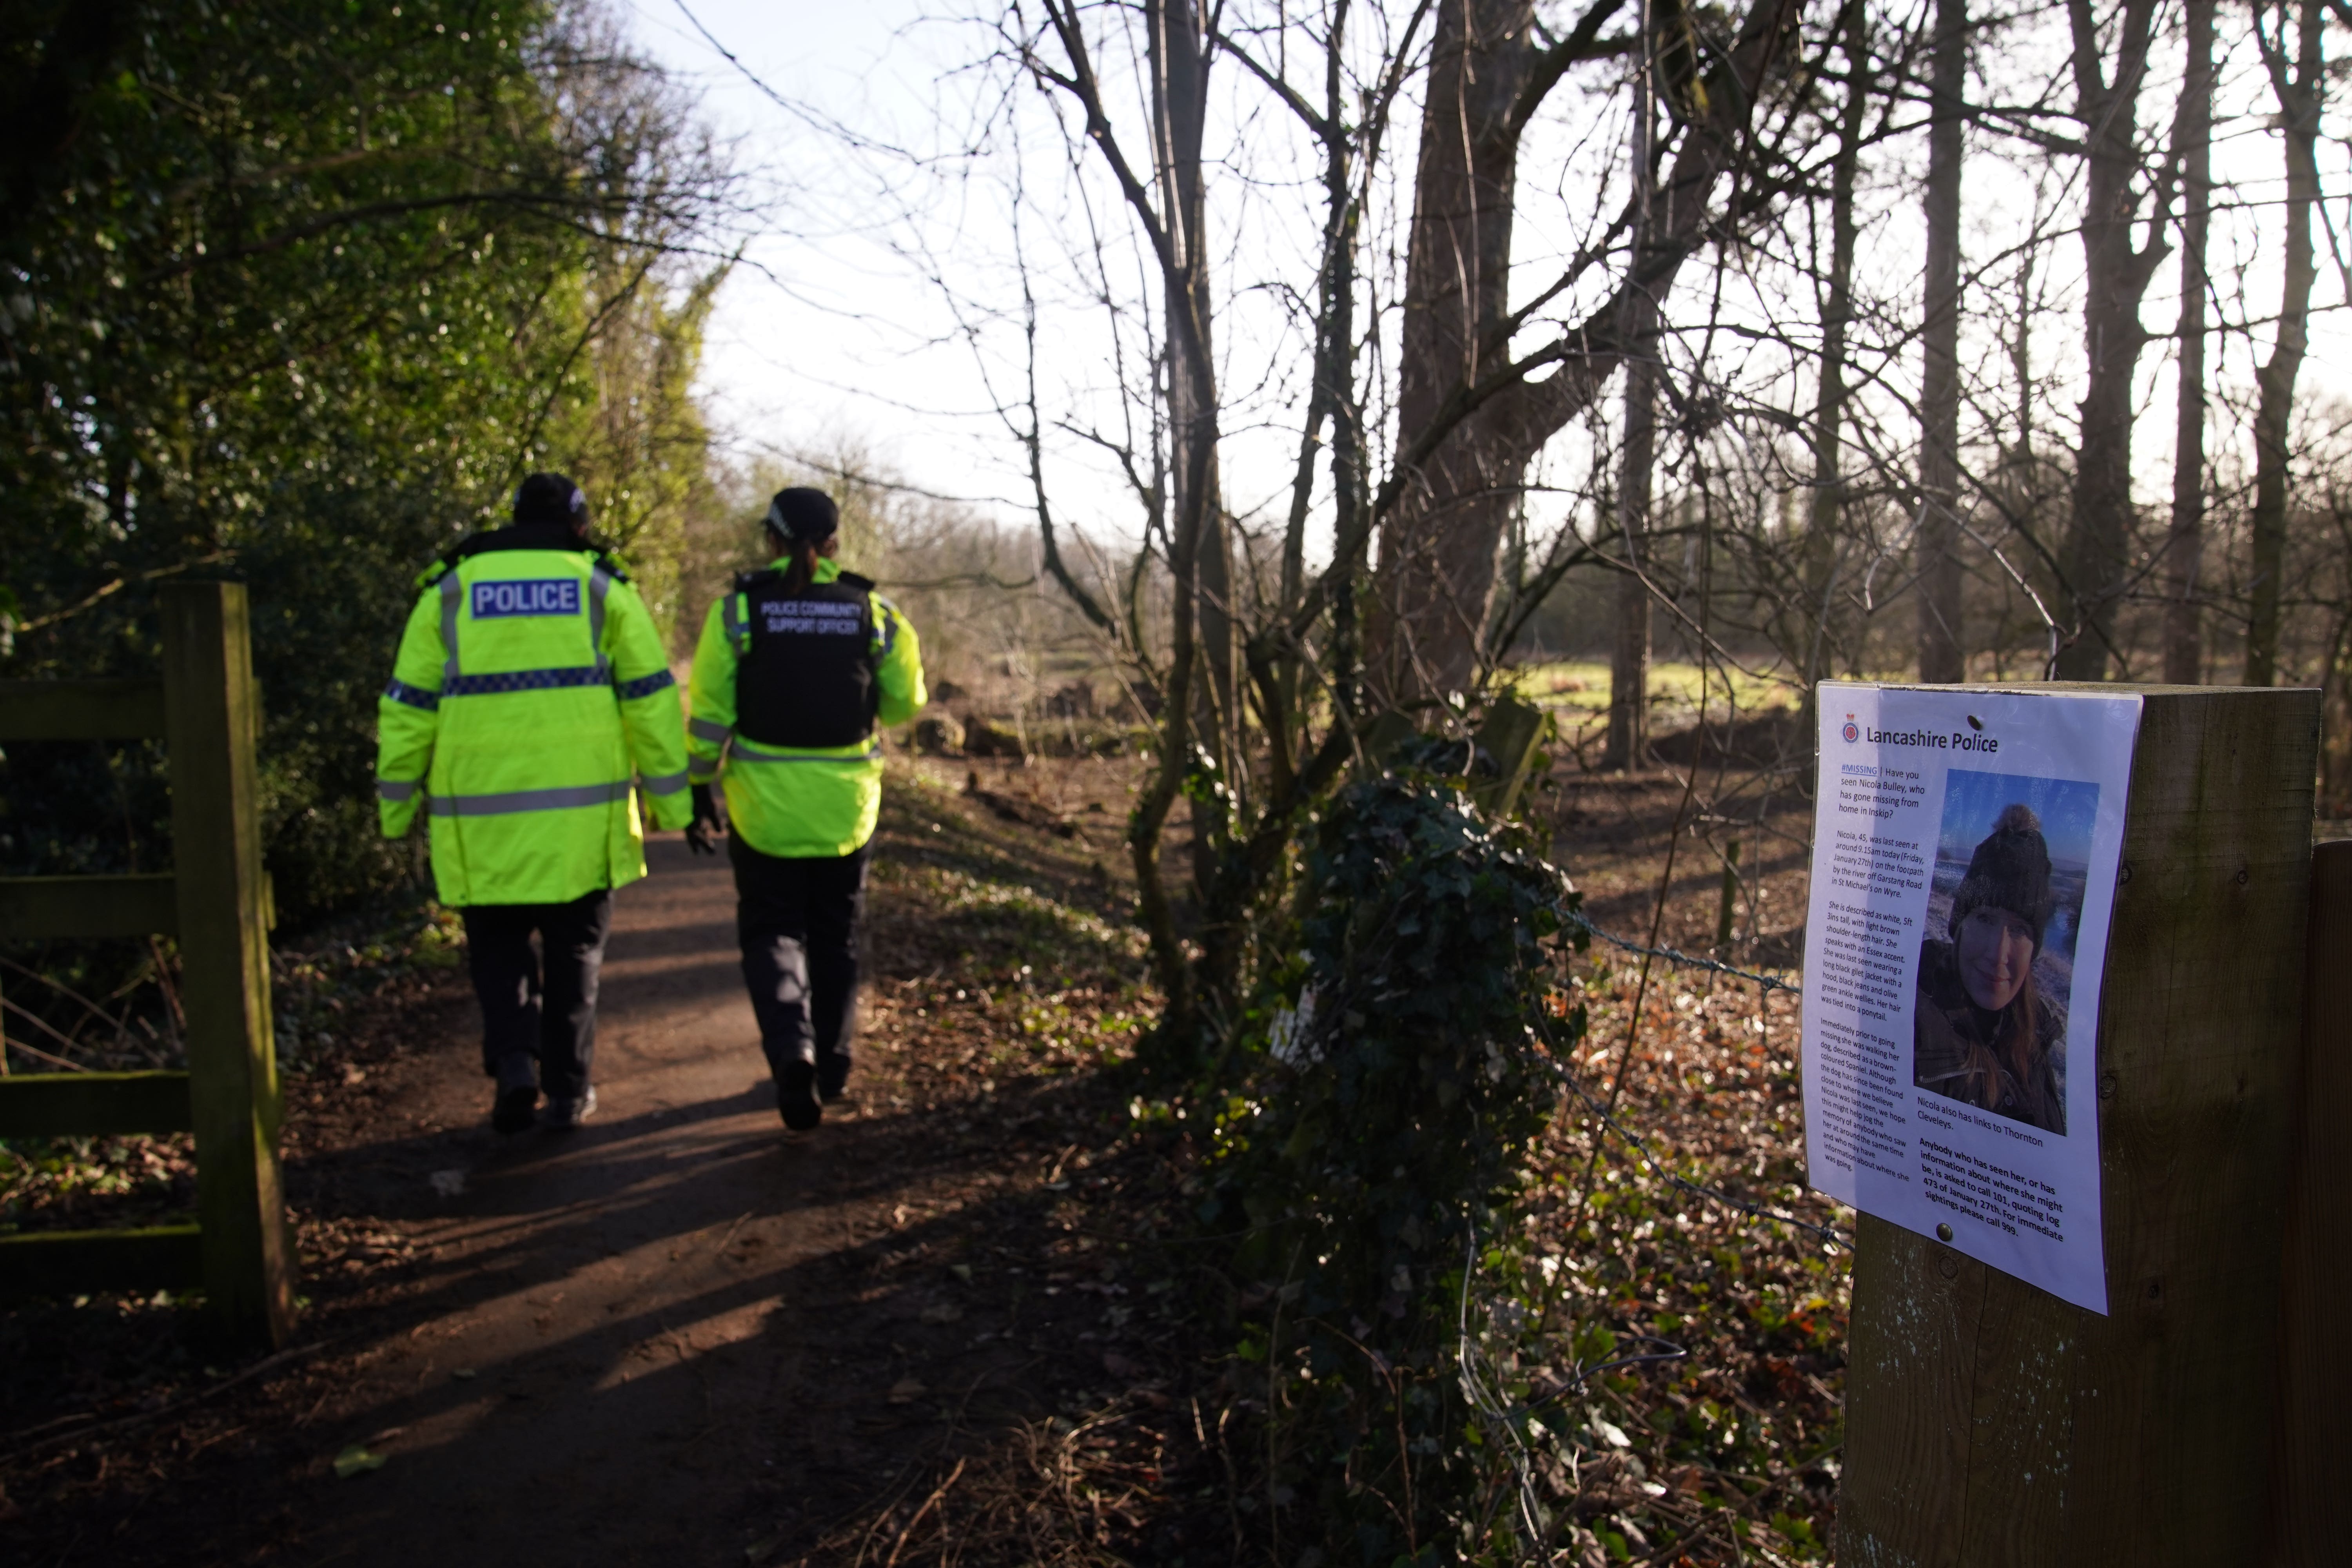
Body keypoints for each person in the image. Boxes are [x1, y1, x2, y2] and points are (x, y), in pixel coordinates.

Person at [376, 474, 691, 1133]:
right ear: (578, 525)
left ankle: (517, 1062)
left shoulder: (451, 591)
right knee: (577, 955)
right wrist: (672, 802)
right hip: (583, 825)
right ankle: (570, 1091)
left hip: (482, 822)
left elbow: (407, 709)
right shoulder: (602, 587)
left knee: (498, 951)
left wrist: (396, 807)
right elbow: (652, 700)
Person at [684, 487, 926, 1130]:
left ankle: (793, 1049)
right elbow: (906, 703)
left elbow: (710, 715)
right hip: (847, 811)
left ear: (771, 540)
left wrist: (697, 787)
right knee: (835, 935)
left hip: (764, 813)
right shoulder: (873, 613)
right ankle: (837, 1063)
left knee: (772, 933)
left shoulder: (737, 612)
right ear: (833, 545)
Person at [1913, 802, 2068, 1135]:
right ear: (1960, 924)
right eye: (1984, 919)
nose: (1997, 955)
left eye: (2019, 930)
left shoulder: (2036, 1028)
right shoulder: (1918, 1020)